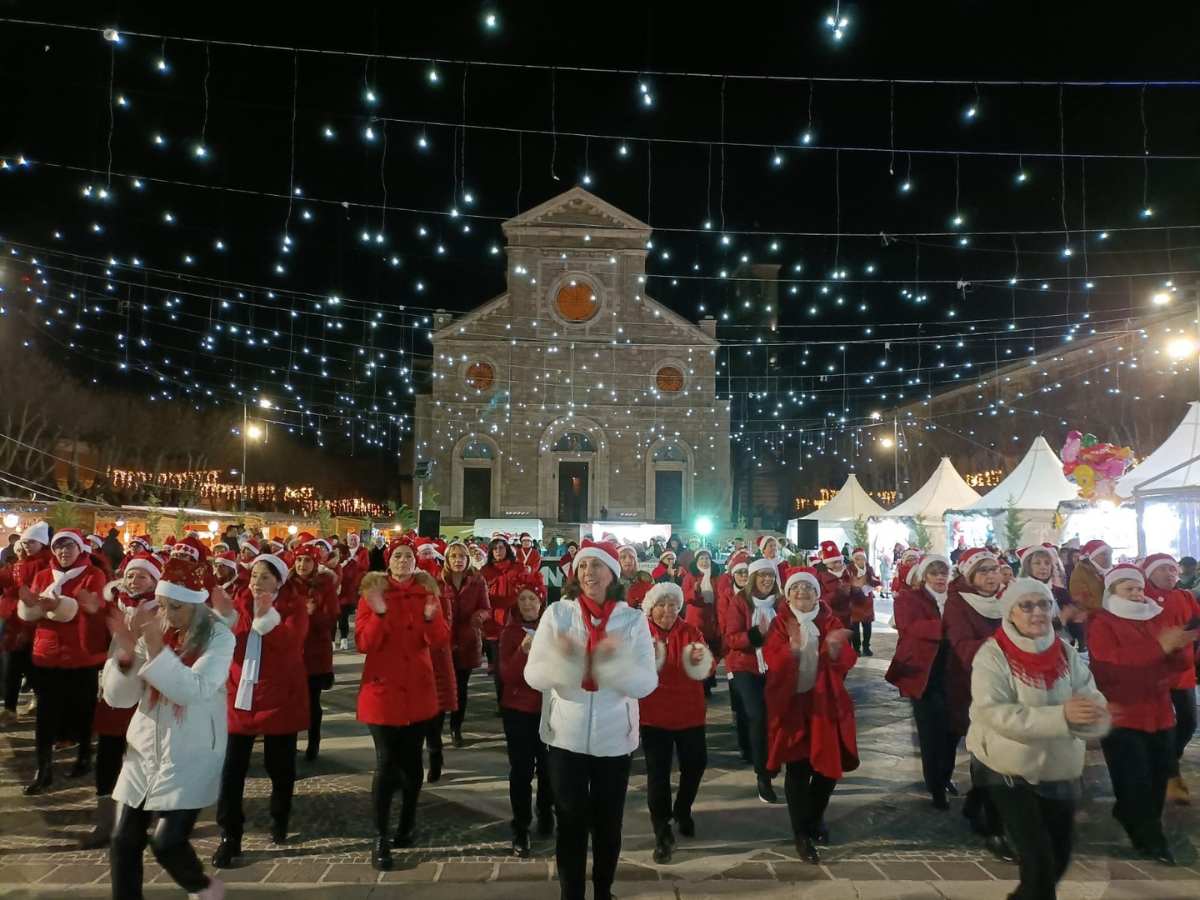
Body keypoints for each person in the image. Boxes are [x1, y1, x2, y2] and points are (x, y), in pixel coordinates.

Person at [524, 540, 657, 900]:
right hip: (565, 737)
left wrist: (609, 664)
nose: (588, 573)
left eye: (597, 566)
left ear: (613, 573)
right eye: (583, 567)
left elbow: (647, 683)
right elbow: (533, 675)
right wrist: (568, 663)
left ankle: (602, 891)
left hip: (615, 739)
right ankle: (571, 894)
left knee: (608, 823)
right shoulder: (558, 614)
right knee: (569, 822)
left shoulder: (632, 620)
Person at [966, 577, 1110, 899]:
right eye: (1026, 605)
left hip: (1059, 768)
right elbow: (995, 712)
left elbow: (1089, 695)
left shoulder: (1064, 652)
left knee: (1059, 858)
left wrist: (1093, 719)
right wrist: (1061, 717)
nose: (1037, 612)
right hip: (1008, 770)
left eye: (1043, 604)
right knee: (1039, 862)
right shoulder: (992, 655)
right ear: (1011, 613)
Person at [103, 557, 233, 900]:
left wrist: (154, 648)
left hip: (190, 751)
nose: (167, 615)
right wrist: (127, 656)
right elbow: (119, 698)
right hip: (144, 747)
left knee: (167, 843)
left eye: (175, 607)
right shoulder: (154, 630)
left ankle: (203, 887)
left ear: (196, 605)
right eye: (162, 605)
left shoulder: (219, 636)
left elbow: (193, 689)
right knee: (122, 840)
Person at [1088, 563, 1195, 865]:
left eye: (1138, 588)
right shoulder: (1102, 623)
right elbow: (1111, 664)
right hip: (1122, 714)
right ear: (1113, 591)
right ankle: (1149, 839)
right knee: (1134, 779)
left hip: (1160, 712)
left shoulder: (1153, 616)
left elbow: (1178, 664)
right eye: (1128, 589)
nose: (1136, 594)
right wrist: (1159, 647)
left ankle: (1132, 816)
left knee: (1159, 775)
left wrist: (1179, 648)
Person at [355, 545, 450, 871]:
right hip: (382, 692)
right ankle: (379, 836)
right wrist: (380, 614)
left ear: (416, 562)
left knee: (411, 763)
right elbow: (364, 643)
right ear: (388, 562)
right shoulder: (372, 593)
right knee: (386, 762)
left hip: (418, 691)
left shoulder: (428, 594)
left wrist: (429, 619)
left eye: (408, 556)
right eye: (397, 556)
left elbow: (439, 640)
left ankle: (407, 822)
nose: (403, 561)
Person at [212, 553, 309, 868]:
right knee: (231, 770)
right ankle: (230, 835)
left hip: (280, 696)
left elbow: (292, 643)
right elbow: (223, 642)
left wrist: (268, 620)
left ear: (279, 581)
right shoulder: (237, 605)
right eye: (254, 576)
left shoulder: (293, 607)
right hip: (240, 696)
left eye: (265, 577)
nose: (256, 582)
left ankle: (280, 816)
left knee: (279, 767)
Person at [763, 567, 858, 863]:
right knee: (797, 770)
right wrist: (790, 651)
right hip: (792, 706)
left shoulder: (830, 621)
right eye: (795, 589)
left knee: (828, 769)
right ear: (787, 594)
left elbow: (847, 658)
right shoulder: (779, 623)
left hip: (824, 705)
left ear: (817, 593)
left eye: (807, 588)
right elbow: (771, 658)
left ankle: (814, 817)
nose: (801, 592)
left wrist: (833, 650)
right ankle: (800, 833)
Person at [19, 528, 109, 794]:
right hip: (47, 653)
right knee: (46, 715)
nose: (63, 552)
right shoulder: (45, 575)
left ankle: (84, 757)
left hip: (82, 653)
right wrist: (31, 606)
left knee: (82, 711)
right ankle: (43, 769)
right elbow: (32, 609)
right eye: (59, 547)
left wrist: (58, 606)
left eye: (69, 546)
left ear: (80, 548)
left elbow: (92, 610)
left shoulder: (94, 575)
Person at [83, 552, 163, 848]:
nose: (134, 581)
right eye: (130, 575)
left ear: (155, 580)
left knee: (144, 756)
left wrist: (133, 646)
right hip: (116, 693)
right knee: (107, 755)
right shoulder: (116, 606)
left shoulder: (162, 609)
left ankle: (148, 819)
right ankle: (105, 820)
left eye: (142, 576)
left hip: (147, 696)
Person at [942, 546, 1013, 860]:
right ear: (969, 576)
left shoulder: (1009, 599)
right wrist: (1005, 644)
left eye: (993, 569)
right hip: (974, 686)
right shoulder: (957, 603)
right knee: (989, 753)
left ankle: (976, 803)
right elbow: (963, 647)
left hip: (1013, 687)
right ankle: (996, 827)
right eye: (982, 571)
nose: (990, 576)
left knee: (1002, 753)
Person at [639, 582, 713, 863]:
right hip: (654, 713)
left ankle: (682, 810)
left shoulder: (690, 631)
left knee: (696, 764)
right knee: (658, 774)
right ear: (651, 608)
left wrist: (701, 658)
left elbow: (708, 667)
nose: (668, 610)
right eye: (661, 605)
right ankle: (662, 831)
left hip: (688, 712)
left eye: (672, 605)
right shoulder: (641, 633)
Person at [885, 554, 961, 810]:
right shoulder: (909, 598)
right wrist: (948, 627)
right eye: (935, 573)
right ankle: (935, 786)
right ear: (924, 576)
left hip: (953, 671)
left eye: (944, 573)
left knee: (952, 730)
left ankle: (946, 775)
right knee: (930, 733)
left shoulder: (957, 599)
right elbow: (911, 626)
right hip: (923, 673)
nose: (940, 577)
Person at [498, 573, 554, 857]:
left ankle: (546, 813)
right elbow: (507, 674)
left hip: (549, 711)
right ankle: (521, 826)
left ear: (541, 601)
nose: (529, 604)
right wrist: (522, 652)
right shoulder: (510, 633)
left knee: (548, 769)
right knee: (521, 771)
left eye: (533, 599)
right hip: (519, 711)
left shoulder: (553, 629)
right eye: (523, 599)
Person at [1140, 554, 1200, 805]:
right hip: (1156, 671)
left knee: (1188, 721)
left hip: (1183, 670)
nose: (1170, 574)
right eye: (1163, 569)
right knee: (1161, 723)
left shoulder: (1185, 596)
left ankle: (1168, 760)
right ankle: (1170, 774)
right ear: (1150, 573)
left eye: (1173, 569)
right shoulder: (1140, 598)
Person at [721, 557, 781, 803]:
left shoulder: (781, 602)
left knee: (776, 717)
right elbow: (732, 639)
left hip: (775, 666)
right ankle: (763, 775)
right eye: (762, 575)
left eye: (771, 575)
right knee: (757, 715)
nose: (767, 579)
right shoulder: (739, 602)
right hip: (746, 666)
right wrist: (757, 635)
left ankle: (774, 759)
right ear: (754, 578)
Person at [439, 540, 490, 749]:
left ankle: (455, 728)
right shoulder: (438, 581)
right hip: (443, 641)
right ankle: (435, 727)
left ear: (468, 559)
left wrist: (478, 617)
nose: (458, 560)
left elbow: (486, 607)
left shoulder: (478, 581)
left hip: (467, 639)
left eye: (462, 556)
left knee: (461, 687)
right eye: (454, 556)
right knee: (441, 685)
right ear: (447, 559)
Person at [0, 524, 53, 725]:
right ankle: (9, 708)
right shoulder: (19, 563)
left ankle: (39, 700)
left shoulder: (48, 564)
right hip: (14, 620)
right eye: (25, 542)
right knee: (12, 665)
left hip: (35, 623)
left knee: (33, 666)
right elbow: (7, 580)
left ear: (42, 542)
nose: (27, 545)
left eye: (32, 541)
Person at [291, 545, 338, 761]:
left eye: (307, 560)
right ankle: (288, 742)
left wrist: (311, 615)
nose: (302, 565)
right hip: (289, 653)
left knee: (312, 701)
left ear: (315, 563)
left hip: (314, 653)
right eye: (299, 559)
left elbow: (331, 619)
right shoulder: (286, 584)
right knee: (288, 701)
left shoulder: (324, 586)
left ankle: (313, 742)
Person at [680, 548, 721, 696]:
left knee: (711, 652)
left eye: (707, 559)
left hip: (712, 619)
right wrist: (695, 591)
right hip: (695, 620)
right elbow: (685, 596)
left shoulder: (716, 577)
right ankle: (698, 683)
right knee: (698, 651)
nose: (705, 561)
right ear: (696, 561)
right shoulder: (690, 577)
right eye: (702, 559)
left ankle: (709, 682)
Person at [814, 540, 864, 633]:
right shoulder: (820, 577)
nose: (838, 564)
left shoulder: (848, 574)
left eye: (839, 561)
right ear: (827, 563)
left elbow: (860, 599)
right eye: (834, 562)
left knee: (848, 643)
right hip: (831, 618)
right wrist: (838, 593)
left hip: (849, 617)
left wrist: (856, 590)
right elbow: (821, 600)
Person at [847, 548, 881, 656]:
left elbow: (875, 581)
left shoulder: (869, 569)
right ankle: (856, 648)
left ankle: (866, 646)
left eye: (862, 559)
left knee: (867, 626)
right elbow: (846, 584)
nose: (860, 561)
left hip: (867, 601)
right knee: (854, 627)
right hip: (854, 602)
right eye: (857, 559)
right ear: (854, 560)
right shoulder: (849, 569)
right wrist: (855, 587)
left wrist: (872, 582)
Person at [618, 544, 653, 609]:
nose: (628, 560)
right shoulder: (612, 581)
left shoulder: (645, 578)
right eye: (623, 557)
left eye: (631, 557)